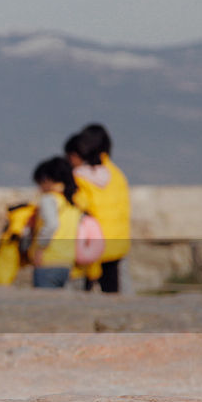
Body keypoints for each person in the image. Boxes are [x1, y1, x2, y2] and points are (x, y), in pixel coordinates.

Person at [66, 123, 130, 293]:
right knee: (112, 291)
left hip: (91, 244)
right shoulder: (117, 174)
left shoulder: (81, 175)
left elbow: (81, 204)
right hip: (117, 242)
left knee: (84, 293)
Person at [30, 156, 83, 289]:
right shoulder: (72, 202)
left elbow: (51, 225)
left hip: (48, 261)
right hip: (68, 262)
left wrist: (40, 249)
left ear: (47, 179)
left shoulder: (49, 199)